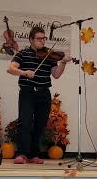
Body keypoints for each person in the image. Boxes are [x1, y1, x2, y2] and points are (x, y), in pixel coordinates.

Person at [7, 26, 72, 164]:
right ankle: (22, 153)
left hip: (44, 93)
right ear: (31, 39)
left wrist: (64, 63)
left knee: (40, 124)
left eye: (43, 39)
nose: (42, 41)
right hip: (28, 92)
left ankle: (33, 154)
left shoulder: (49, 56)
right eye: (39, 39)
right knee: (25, 122)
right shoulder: (22, 54)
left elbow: (56, 75)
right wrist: (24, 73)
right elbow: (10, 69)